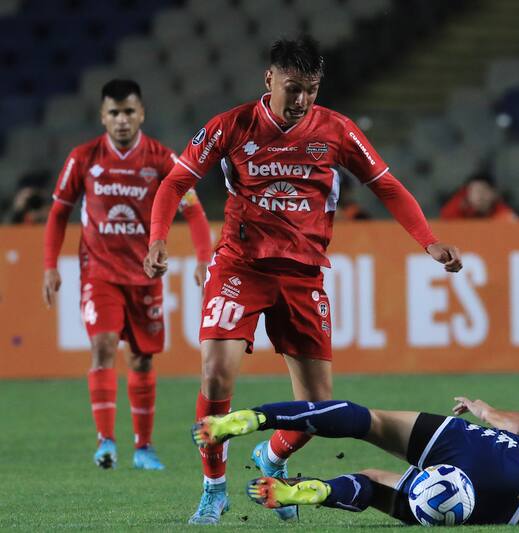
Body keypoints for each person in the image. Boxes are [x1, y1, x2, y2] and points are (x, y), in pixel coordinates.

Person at [142, 36, 462, 524]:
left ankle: (272, 456)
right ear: (269, 80)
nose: (302, 100)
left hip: (303, 275)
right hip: (241, 267)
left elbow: (386, 185)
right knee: (215, 373)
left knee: (319, 407)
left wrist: (429, 241)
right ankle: (213, 488)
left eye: (311, 89)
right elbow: (175, 182)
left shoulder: (337, 130)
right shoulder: (231, 125)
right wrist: (158, 239)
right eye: (293, 88)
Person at [192, 373, 519, 525]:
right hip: (504, 511)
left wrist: (483, 409)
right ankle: (315, 491)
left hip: (513, 460)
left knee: (371, 421)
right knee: (375, 482)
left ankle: (254, 419)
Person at [42, 79, 212, 471]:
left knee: (141, 359)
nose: (122, 120)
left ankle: (143, 447)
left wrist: (204, 258)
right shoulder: (83, 158)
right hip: (98, 272)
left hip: (145, 274)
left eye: (129, 111)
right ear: (103, 116)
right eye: (114, 113)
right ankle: (105, 442)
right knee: (102, 346)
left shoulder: (161, 159)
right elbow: (58, 212)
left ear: (142, 114)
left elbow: (194, 210)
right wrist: (50, 265)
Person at [439, 171, 517, 221]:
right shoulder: (457, 209)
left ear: (494, 193)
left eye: (483, 191)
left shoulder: (503, 213)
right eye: (474, 191)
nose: (479, 196)